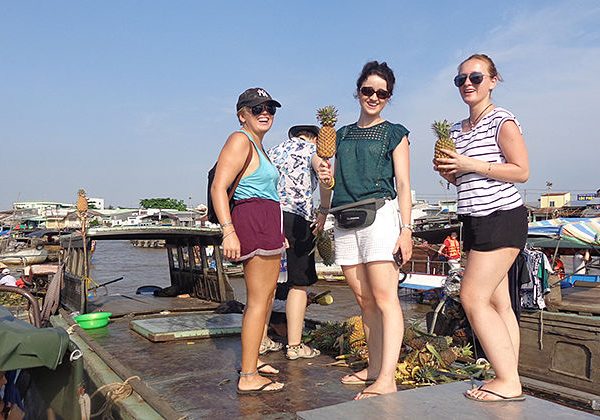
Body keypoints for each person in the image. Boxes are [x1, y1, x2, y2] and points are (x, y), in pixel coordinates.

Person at [434, 53, 530, 402]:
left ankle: (507, 380)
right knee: (499, 302)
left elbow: (521, 171)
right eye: (461, 79)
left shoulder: (502, 121)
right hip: (474, 219)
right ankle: (508, 373)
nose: (468, 84)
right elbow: (467, 176)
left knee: (472, 296)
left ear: (492, 80)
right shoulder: (459, 130)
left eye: (475, 77)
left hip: (502, 217)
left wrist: (468, 163)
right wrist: (452, 173)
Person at [318, 61, 413, 399]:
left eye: (382, 93)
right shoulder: (339, 135)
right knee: (364, 300)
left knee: (386, 299)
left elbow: (402, 183)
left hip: (381, 216)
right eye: (368, 90)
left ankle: (387, 378)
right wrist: (323, 203)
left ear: (389, 97)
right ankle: (373, 368)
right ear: (358, 91)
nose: (374, 97)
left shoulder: (394, 132)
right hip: (344, 219)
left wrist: (406, 230)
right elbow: (329, 180)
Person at [210, 87, 285, 395]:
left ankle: (253, 359)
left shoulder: (259, 145)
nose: (264, 112)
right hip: (252, 220)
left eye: (269, 108)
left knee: (266, 299)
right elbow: (219, 187)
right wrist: (228, 230)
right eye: (257, 109)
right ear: (242, 115)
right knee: (257, 301)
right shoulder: (239, 140)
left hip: (267, 222)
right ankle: (249, 373)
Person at [268, 124, 333, 360]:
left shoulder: (273, 151)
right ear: (316, 138)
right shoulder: (314, 151)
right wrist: (324, 210)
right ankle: (294, 346)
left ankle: (262, 340)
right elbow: (325, 176)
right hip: (298, 219)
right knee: (299, 284)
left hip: (270, 217)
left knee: (267, 282)